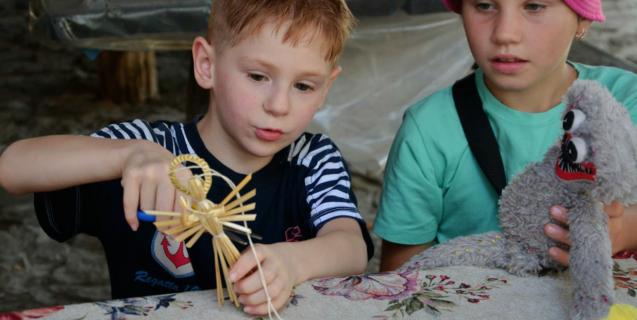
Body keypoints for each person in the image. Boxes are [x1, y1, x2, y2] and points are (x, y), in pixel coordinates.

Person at [0, 0, 373, 315]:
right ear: (206, 65)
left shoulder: (313, 160)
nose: (279, 105)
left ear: (327, 88)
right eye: (258, 76)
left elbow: (352, 247)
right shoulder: (150, 147)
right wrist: (128, 155)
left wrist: (294, 263)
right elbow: (13, 166)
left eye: (304, 86)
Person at [373, 0, 637, 271]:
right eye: (485, 5)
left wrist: (625, 230)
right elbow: (399, 276)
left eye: (534, 6)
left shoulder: (627, 103)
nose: (504, 33)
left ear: (583, 19)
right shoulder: (427, 129)